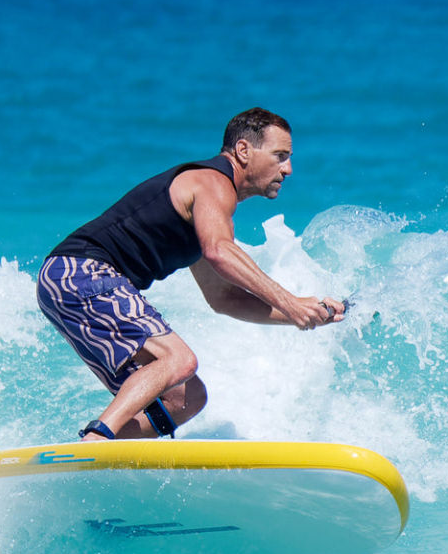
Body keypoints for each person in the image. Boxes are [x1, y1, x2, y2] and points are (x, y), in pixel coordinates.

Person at [36, 107, 345, 441]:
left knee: (187, 398)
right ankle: (96, 441)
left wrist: (305, 314)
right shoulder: (212, 183)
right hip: (80, 272)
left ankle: (93, 453)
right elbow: (219, 251)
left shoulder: (211, 212)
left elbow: (224, 299)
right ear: (243, 151)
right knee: (179, 360)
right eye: (280, 156)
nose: (288, 169)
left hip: (65, 282)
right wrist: (290, 302)